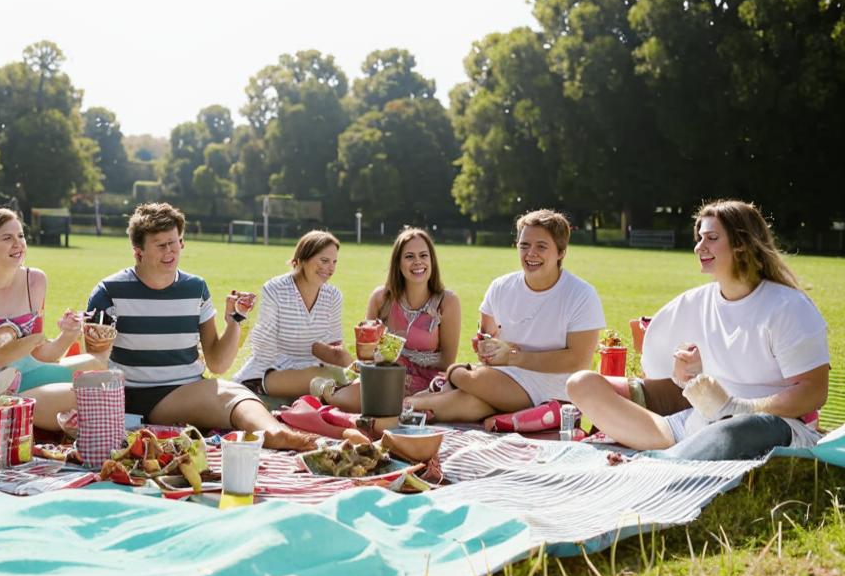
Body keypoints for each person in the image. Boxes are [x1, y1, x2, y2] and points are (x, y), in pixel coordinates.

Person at [566, 200, 829, 459]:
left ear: (741, 244)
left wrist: (740, 408)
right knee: (581, 384)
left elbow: (814, 392)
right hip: (694, 426)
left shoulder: (787, 306)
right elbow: (663, 374)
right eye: (699, 238)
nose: (699, 247)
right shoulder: (692, 303)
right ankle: (672, 452)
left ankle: (653, 461)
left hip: (766, 426)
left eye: (711, 238)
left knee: (738, 429)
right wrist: (683, 375)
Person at [86, 202, 317, 450]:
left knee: (232, 393)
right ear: (138, 251)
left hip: (188, 391)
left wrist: (235, 320)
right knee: (230, 394)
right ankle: (278, 434)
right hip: (137, 394)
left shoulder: (195, 288)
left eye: (175, 242)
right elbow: (95, 357)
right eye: (161, 245)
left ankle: (277, 434)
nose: (170, 251)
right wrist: (92, 343)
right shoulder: (109, 291)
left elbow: (217, 363)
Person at [405, 209, 604, 424]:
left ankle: (447, 380)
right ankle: (414, 405)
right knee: (473, 403)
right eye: (524, 245)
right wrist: (485, 348)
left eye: (541, 247)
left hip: (555, 386)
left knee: (473, 378)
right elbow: (486, 337)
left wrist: (512, 356)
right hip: (502, 379)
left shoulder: (581, 294)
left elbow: (579, 360)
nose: (531, 254)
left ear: (561, 252)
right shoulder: (501, 287)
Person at [0, 208, 107, 429]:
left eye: (20, 236)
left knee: (98, 370)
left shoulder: (36, 281)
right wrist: (20, 346)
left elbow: (41, 355)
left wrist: (67, 336)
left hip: (30, 375)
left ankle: (23, 418)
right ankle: (6, 417)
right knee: (83, 397)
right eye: (7, 238)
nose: (18, 243)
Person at [316, 227, 462, 412]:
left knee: (448, 400)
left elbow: (447, 361)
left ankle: (399, 406)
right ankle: (327, 390)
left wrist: (403, 357)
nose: (418, 262)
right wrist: (379, 355)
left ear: (431, 260)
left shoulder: (447, 302)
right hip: (386, 376)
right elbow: (366, 354)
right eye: (409, 256)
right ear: (398, 263)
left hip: (428, 385)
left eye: (423, 255)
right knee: (357, 398)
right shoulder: (380, 298)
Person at [233, 230, 354, 400]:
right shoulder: (275, 288)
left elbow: (334, 346)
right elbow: (264, 350)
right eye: (324, 260)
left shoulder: (333, 296)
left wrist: (341, 359)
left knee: (348, 379)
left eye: (334, 262)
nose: (330, 268)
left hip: (314, 370)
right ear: (303, 259)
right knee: (325, 379)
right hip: (271, 371)